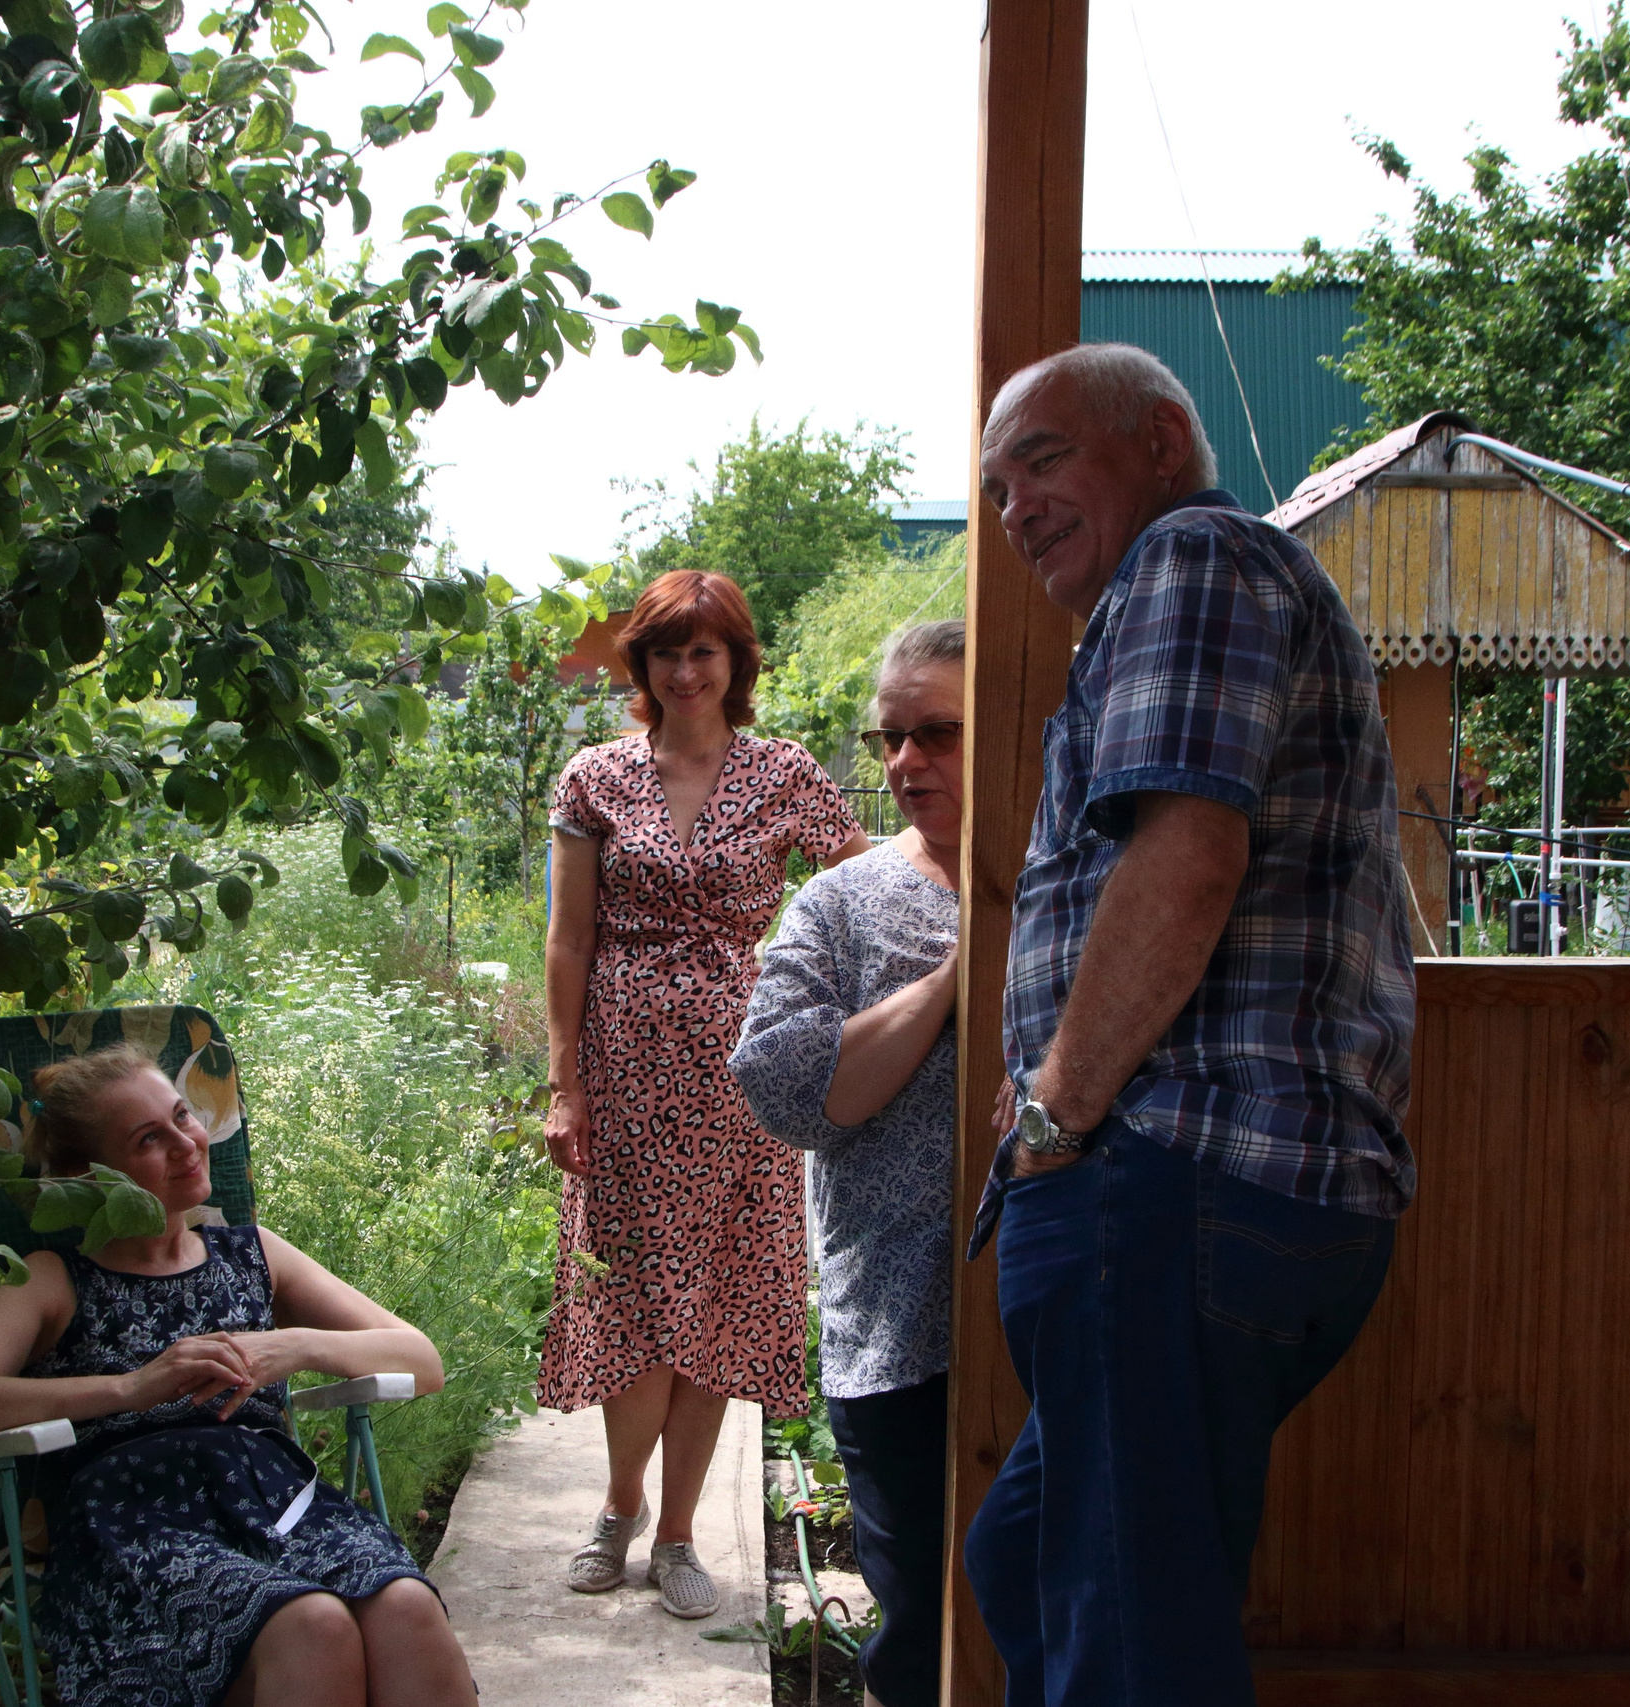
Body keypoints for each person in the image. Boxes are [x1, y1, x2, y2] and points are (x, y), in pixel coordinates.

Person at [959, 343, 1417, 1707]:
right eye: (994, 487)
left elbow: (1187, 855)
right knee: (1030, 1551)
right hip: (1217, 1183)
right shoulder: (1199, 585)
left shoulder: (1195, 561)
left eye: (1043, 460)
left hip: (1177, 1173)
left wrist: (1057, 1101)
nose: (1015, 506)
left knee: (1132, 1645)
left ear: (1161, 439)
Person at [0, 1045, 474, 1707]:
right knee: (313, 1626)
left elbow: (421, 1359)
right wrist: (129, 1388)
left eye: (182, 1117)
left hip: (279, 1504)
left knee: (408, 1608)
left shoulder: (252, 1253)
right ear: (87, 1176)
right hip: (137, 1528)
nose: (187, 1143)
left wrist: (290, 1345)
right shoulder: (50, 1279)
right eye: (150, 1138)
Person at [540, 568, 869, 1619]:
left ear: (736, 664)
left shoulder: (784, 774)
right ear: (641, 667)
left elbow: (869, 880)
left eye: (705, 652)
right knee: (633, 1293)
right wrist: (563, 1084)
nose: (685, 672)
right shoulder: (594, 777)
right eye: (665, 653)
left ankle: (679, 1534)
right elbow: (570, 937)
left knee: (719, 1300)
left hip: (745, 1078)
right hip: (624, 1070)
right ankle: (620, 1504)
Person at [731, 618, 968, 1707]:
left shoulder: (1093, 885)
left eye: (938, 736)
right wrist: (953, 982)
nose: (905, 764)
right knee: (920, 1631)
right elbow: (791, 1091)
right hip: (901, 1329)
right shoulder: (843, 904)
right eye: (891, 739)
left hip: (1066, 1327)